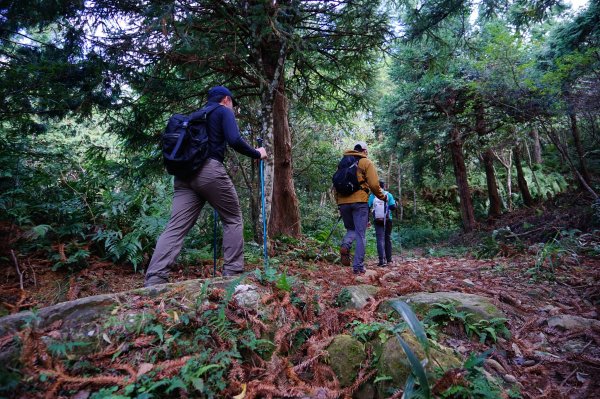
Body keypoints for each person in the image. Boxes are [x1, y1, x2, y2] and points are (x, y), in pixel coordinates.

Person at [145, 86, 267, 286]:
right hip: (208, 171)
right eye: (232, 105)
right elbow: (235, 139)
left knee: (176, 226)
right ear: (226, 99)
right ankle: (232, 276)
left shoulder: (196, 116)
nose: (233, 109)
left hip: (183, 176)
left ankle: (155, 279)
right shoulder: (222, 111)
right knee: (233, 218)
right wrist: (257, 153)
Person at [336, 141, 386, 274]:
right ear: (364, 151)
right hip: (359, 203)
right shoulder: (365, 162)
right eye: (367, 151)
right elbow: (375, 185)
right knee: (360, 234)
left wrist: (339, 203)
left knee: (351, 229)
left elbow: (337, 184)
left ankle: (345, 246)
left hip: (343, 203)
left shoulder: (342, 163)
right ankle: (358, 266)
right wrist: (383, 197)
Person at [368, 180, 396, 267]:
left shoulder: (373, 195)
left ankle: (381, 261)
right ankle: (389, 260)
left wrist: (367, 220)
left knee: (380, 239)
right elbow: (393, 207)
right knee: (387, 238)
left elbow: (367, 207)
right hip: (388, 219)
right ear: (384, 186)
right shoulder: (388, 194)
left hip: (377, 220)